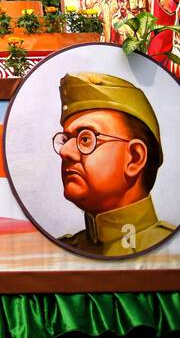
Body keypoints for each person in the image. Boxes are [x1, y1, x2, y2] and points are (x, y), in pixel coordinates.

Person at [55, 72, 174, 256]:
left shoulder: (171, 251)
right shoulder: (63, 251)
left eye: (85, 138)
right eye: (66, 139)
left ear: (135, 157)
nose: (65, 151)